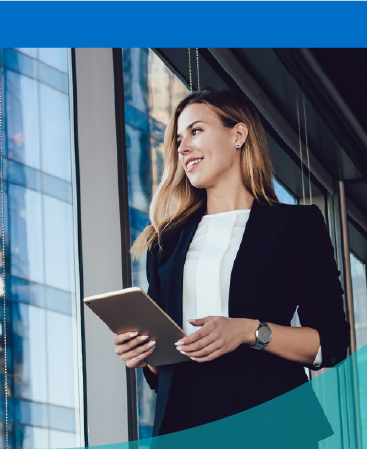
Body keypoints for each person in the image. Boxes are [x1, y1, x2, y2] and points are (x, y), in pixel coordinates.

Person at [113, 90, 350, 445]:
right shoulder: (166, 241)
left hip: (271, 424)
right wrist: (146, 354)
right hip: (185, 425)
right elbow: (163, 368)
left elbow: (331, 343)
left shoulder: (296, 225)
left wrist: (248, 331)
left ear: (238, 135)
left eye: (195, 132)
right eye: (179, 140)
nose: (182, 148)